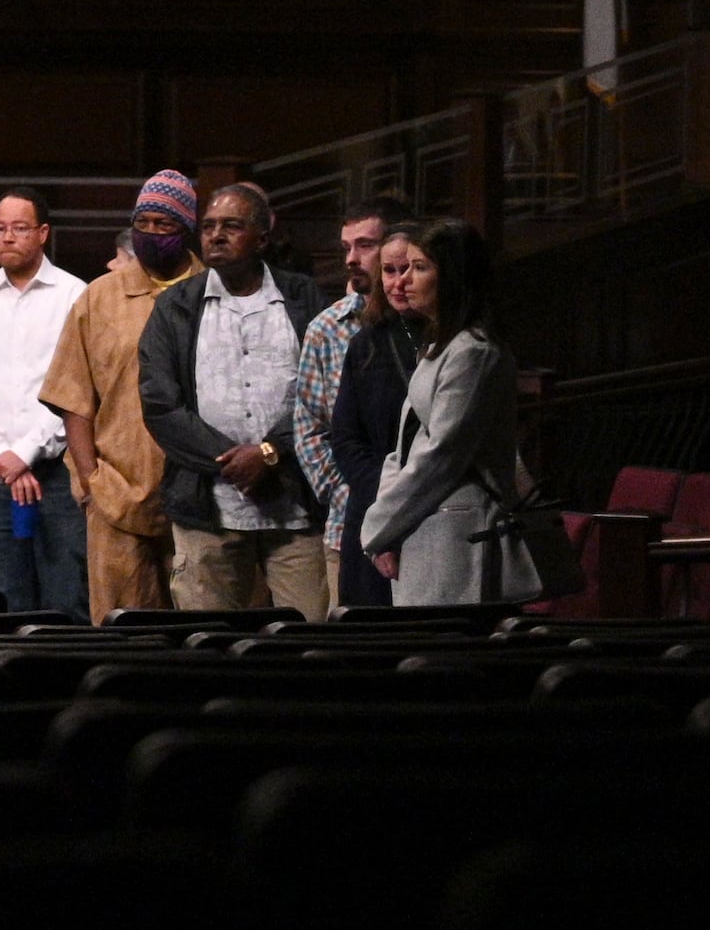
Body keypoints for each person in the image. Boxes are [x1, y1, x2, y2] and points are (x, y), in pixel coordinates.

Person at [138, 180, 330, 616]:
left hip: (295, 504)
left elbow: (324, 393)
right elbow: (160, 404)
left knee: (312, 637)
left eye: (231, 226)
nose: (215, 236)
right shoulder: (176, 306)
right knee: (208, 645)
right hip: (207, 506)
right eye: (208, 227)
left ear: (261, 238)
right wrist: (234, 459)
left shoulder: (302, 298)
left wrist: (269, 453)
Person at [40, 168, 205, 620]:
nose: (151, 232)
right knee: (123, 630)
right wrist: (91, 482)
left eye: (164, 223)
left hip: (203, 496)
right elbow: (73, 394)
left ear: (186, 228)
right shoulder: (99, 299)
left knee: (203, 627)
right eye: (143, 222)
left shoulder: (213, 290)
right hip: (116, 493)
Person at [360, 220, 541, 607]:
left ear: (453, 276)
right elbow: (405, 443)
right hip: (423, 526)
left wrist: (378, 525)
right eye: (402, 267)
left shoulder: (474, 352)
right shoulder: (439, 346)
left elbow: (442, 453)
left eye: (420, 267)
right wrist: (387, 526)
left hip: (460, 532)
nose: (405, 279)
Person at [0, 186, 88, 614]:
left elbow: (77, 392)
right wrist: (3, 457)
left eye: (19, 228)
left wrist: (25, 453)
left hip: (59, 473)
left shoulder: (74, 295)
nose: (7, 237)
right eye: (0, 228)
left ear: (42, 233)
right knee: (4, 603)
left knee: (67, 602)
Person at [292, 198, 411, 609]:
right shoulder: (327, 328)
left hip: (422, 516)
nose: (352, 259)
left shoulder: (424, 327)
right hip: (352, 517)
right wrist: (346, 493)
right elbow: (310, 428)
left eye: (365, 245)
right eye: (346, 248)